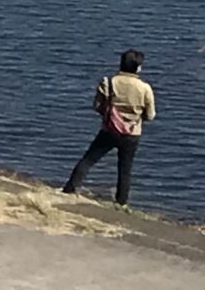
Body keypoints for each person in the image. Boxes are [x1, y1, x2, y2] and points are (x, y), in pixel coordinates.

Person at [63, 49, 156, 207]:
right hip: (132, 133)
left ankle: (70, 189)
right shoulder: (145, 88)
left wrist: (109, 116)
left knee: (88, 160)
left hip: (109, 129)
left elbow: (97, 106)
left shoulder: (107, 82)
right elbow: (150, 115)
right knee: (125, 169)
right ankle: (121, 203)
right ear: (138, 67)